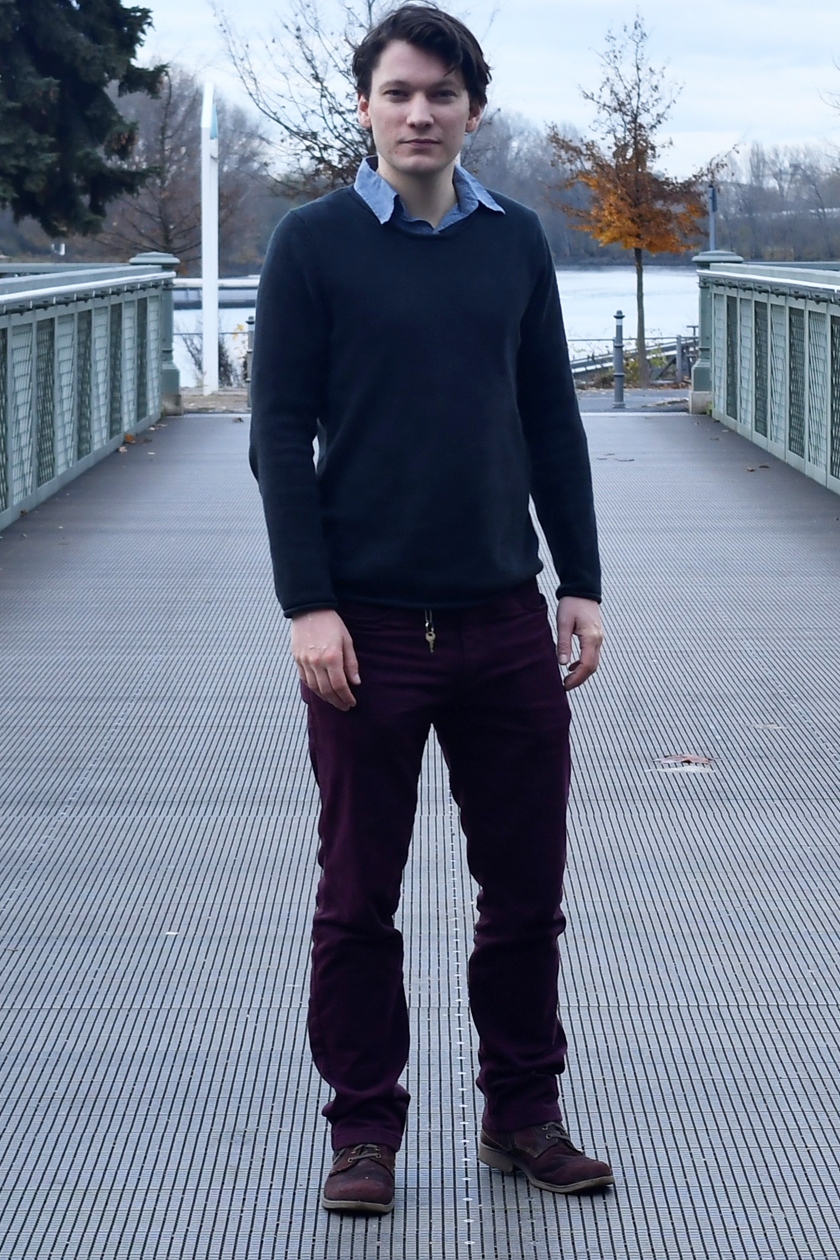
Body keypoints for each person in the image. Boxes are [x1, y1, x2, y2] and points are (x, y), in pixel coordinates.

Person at [249, 1, 614, 1216]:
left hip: (503, 620)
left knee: (526, 894)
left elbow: (552, 421)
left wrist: (582, 581)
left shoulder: (515, 243)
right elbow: (276, 436)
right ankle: (364, 1131)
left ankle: (522, 1115)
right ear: (365, 107)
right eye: (399, 92)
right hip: (365, 629)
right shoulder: (310, 245)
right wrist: (308, 606)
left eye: (442, 94)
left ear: (472, 110)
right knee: (358, 897)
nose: (420, 113)